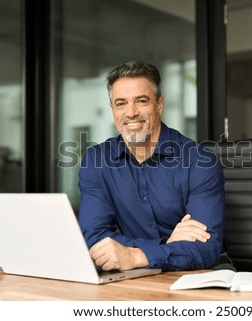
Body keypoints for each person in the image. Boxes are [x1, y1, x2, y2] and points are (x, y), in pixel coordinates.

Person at [78, 60, 228, 271]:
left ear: (159, 105)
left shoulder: (200, 162)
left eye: (141, 101)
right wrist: (167, 246)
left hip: (193, 276)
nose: (130, 113)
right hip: (131, 276)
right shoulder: (96, 160)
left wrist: (135, 255)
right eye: (121, 103)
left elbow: (207, 247)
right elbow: (95, 238)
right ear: (112, 109)